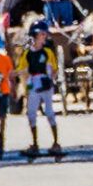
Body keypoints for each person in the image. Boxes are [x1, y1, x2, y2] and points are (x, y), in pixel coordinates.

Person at [19, 24, 63, 159]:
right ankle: (35, 143)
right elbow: (23, 70)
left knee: (49, 112)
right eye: (41, 34)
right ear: (35, 36)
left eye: (45, 34)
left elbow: (54, 69)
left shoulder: (48, 52)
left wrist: (51, 80)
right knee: (31, 113)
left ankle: (56, 143)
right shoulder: (27, 53)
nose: (44, 37)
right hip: (33, 83)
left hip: (46, 84)